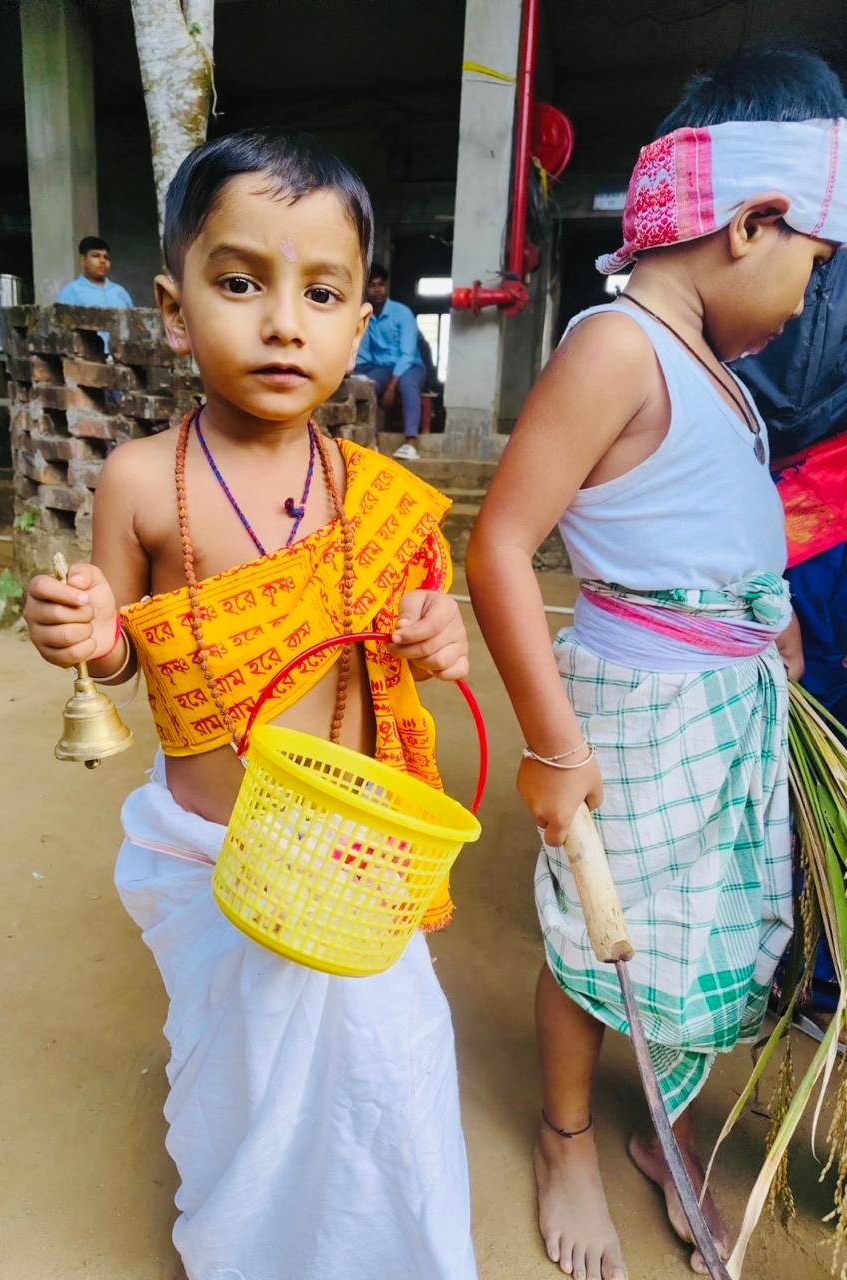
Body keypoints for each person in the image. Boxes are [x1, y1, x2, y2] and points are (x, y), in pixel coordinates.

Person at [23, 130, 476, 1280]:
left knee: (394, 1060)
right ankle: (240, 1244)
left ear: (363, 313)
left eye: (322, 292)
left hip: (353, 850)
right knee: (237, 1076)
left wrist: (437, 631)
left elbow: (428, 636)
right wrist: (86, 635)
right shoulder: (139, 478)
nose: (284, 322)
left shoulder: (368, 492)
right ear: (174, 309)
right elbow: (123, 652)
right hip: (211, 852)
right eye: (241, 283)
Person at [467, 48, 847, 1280]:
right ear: (751, 224)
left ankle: (662, 1122)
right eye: (816, 266)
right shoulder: (617, 347)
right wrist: (551, 742)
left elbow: (729, 543)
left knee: (697, 932)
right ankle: (566, 1132)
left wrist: (775, 631)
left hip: (729, 706)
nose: (810, 299)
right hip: (633, 709)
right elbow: (503, 546)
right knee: (603, 935)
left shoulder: (729, 389)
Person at [734, 247, 847, 1042]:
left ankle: (810, 968)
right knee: (797, 758)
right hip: (802, 526)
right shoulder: (801, 239)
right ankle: (805, 969)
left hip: (795, 525)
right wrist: (767, 579)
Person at [355, 262, 427, 460]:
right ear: (366, 289)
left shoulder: (402, 313)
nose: (377, 290)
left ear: (386, 287)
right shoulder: (365, 315)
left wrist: (391, 387)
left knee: (408, 385)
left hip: (410, 365)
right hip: (381, 367)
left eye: (381, 285)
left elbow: (408, 354)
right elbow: (363, 354)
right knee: (365, 385)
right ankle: (372, 442)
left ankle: (411, 443)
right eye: (372, 286)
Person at [57, 236, 134, 309]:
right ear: (83, 260)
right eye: (96, 256)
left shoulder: (120, 292)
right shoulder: (70, 292)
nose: (103, 261)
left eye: (106, 257)